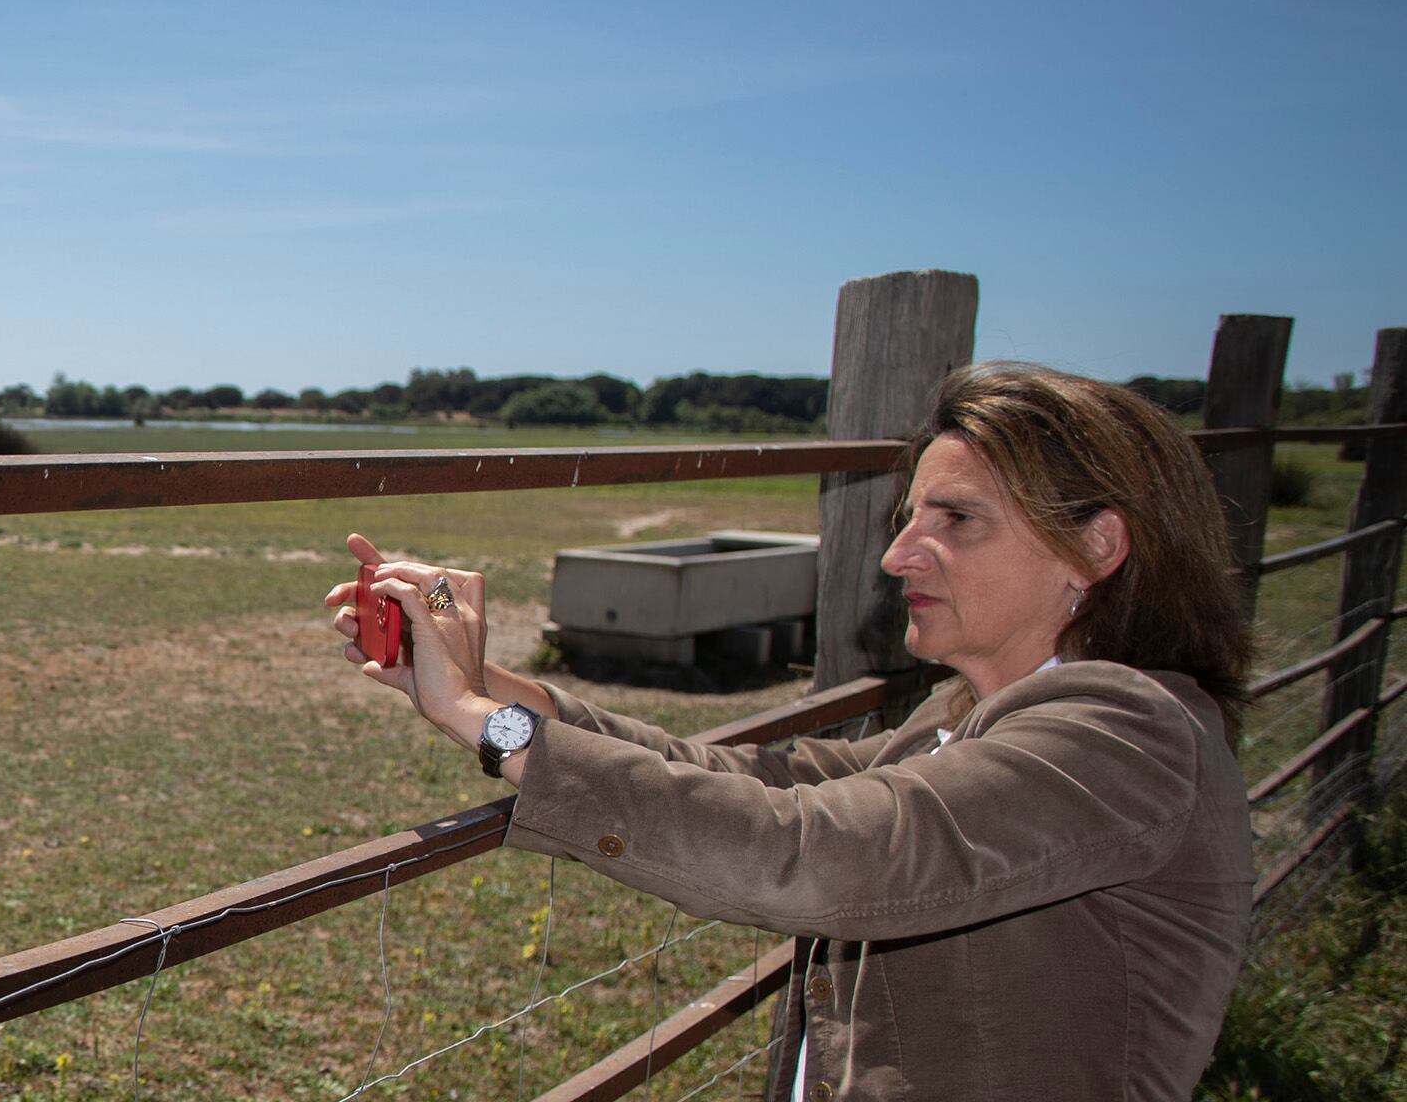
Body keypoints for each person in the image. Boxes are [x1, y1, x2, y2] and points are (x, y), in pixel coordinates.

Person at [326, 362, 1255, 1101]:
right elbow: (758, 778)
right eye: (909, 518)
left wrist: (483, 721)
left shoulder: (1127, 737)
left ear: (1097, 546)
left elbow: (811, 853)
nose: (897, 554)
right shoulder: (967, 716)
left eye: (958, 520)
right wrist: (481, 681)